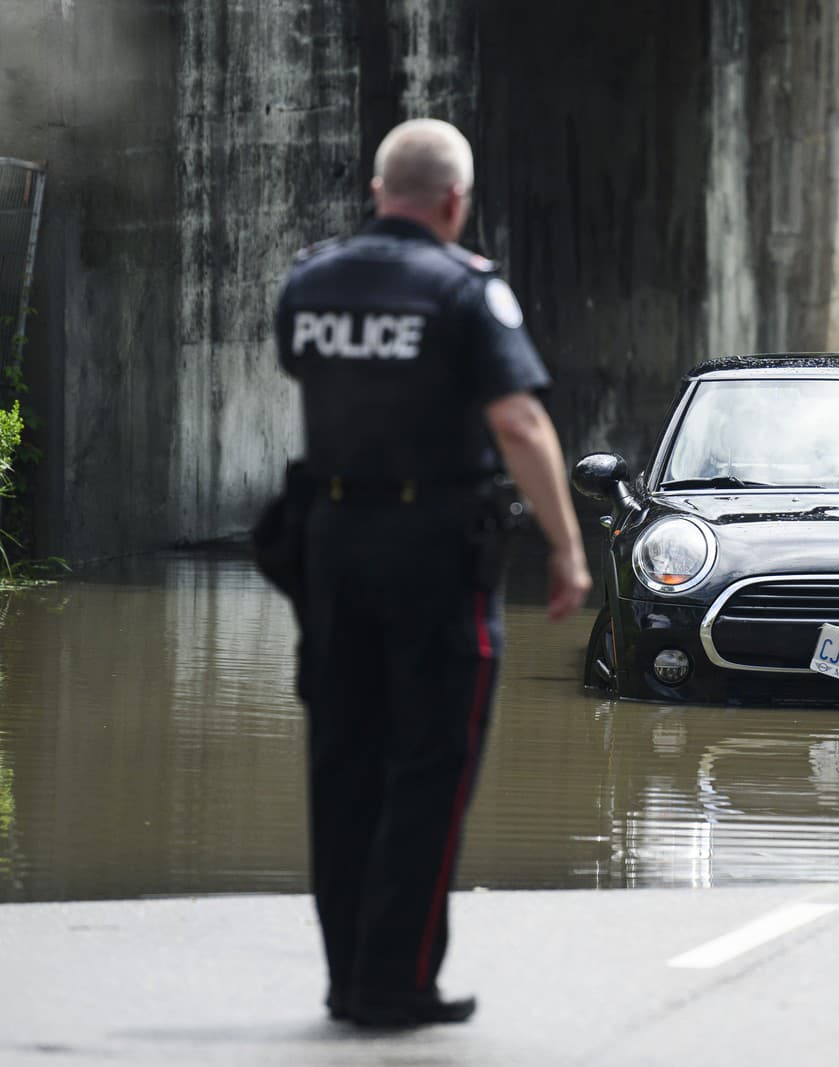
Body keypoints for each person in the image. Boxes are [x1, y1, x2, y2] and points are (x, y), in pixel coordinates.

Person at [271, 118, 591, 1027]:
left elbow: (310, 369)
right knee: (428, 763)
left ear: (378, 192)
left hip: (329, 549)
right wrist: (567, 548)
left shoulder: (310, 282)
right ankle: (397, 981)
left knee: (344, 762)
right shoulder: (464, 292)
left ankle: (348, 975)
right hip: (433, 555)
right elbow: (521, 424)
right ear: (455, 202)